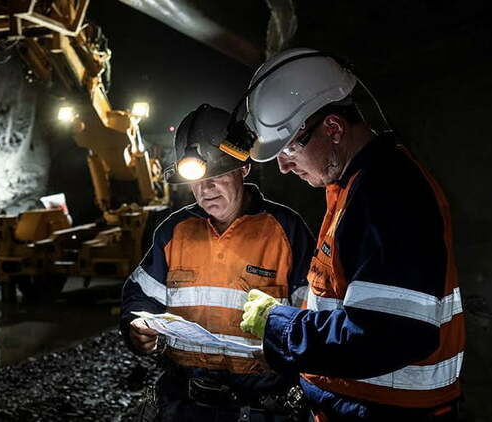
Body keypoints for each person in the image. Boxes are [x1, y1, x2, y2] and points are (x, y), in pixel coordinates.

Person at [236, 48, 465, 421]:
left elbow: (388, 333)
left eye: (290, 147)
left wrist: (279, 324)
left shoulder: (388, 192)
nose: (283, 165)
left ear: (334, 129)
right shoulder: (351, 187)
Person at [120, 104, 314, 421]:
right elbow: (140, 295)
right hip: (186, 406)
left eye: (218, 175)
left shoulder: (286, 231)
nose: (206, 189)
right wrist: (136, 328)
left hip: (261, 410)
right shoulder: (174, 231)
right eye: (196, 181)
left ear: (243, 168)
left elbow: (314, 321)